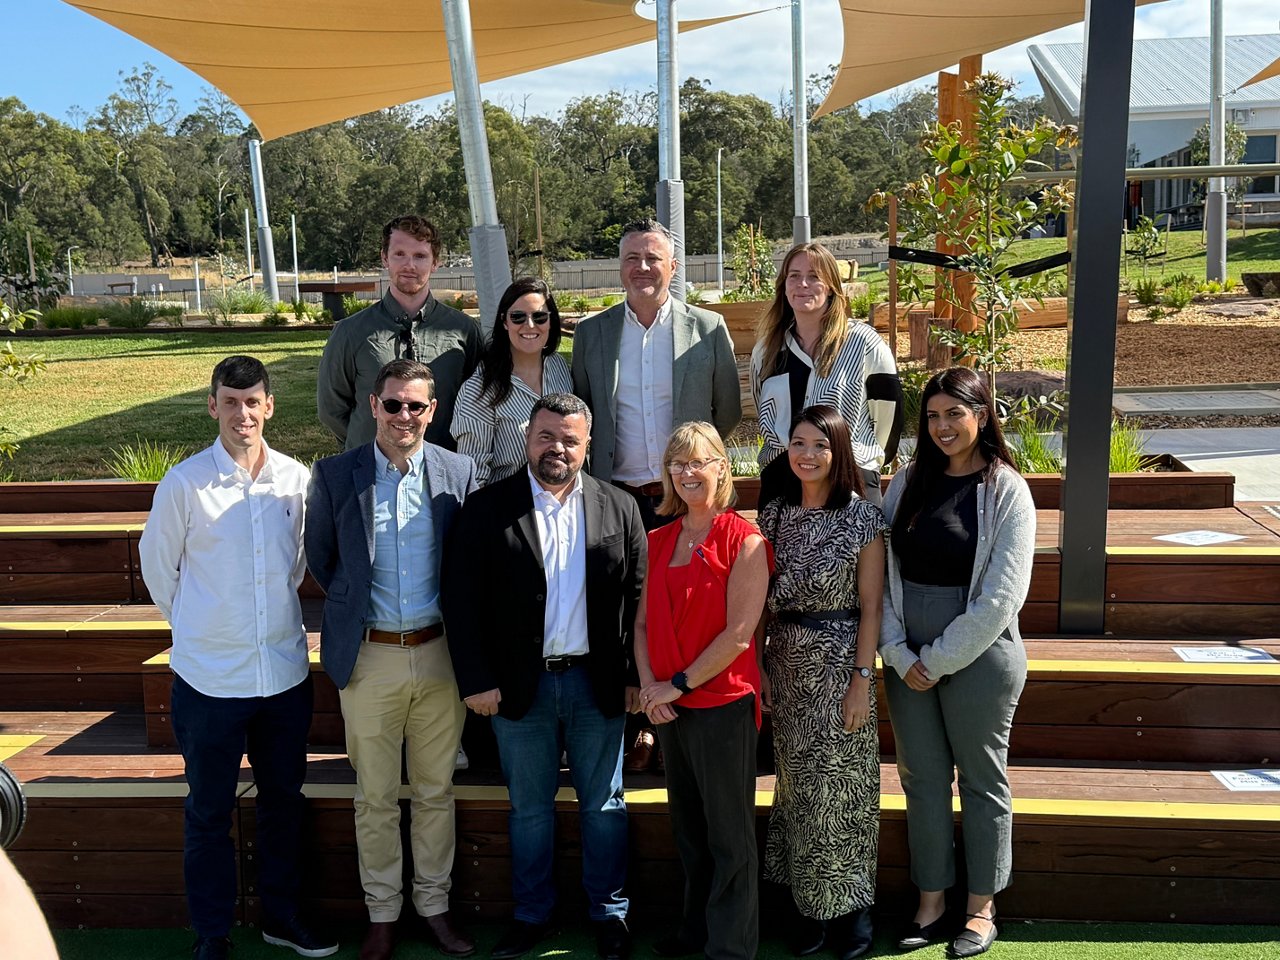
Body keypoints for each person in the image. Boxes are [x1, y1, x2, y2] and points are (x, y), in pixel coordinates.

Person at [139, 355, 337, 960]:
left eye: (252, 402)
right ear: (213, 406)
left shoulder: (295, 481)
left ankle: (282, 917)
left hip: (281, 675)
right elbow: (157, 566)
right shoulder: (184, 483)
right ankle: (212, 934)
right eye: (230, 401)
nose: (242, 413)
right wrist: (199, 627)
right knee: (207, 811)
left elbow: (298, 567)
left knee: (283, 804)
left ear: (269, 406)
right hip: (207, 680)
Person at [443, 393, 646, 960]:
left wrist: (635, 677)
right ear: (528, 439)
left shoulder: (619, 507)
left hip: (596, 682)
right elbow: (461, 603)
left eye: (570, 439)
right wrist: (476, 680)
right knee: (529, 810)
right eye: (547, 436)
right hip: (517, 687)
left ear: (588, 445)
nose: (558, 447)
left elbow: (637, 599)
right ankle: (533, 915)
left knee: (603, 806)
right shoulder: (487, 509)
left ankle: (610, 914)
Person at [306, 359, 479, 960]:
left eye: (417, 406)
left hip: (439, 655)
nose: (404, 416)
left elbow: (467, 565)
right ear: (373, 406)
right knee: (375, 797)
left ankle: (433, 907)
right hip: (370, 657)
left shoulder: (459, 472)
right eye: (393, 404)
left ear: (433, 412)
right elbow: (326, 565)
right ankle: (381, 914)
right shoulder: (334, 476)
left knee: (435, 793)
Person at [879, 367, 1035, 958]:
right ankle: (931, 900)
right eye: (935, 415)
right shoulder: (907, 482)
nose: (943, 426)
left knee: (980, 779)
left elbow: (1002, 595)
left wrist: (939, 660)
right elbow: (885, 573)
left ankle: (981, 906)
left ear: (982, 415)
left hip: (978, 655)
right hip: (907, 657)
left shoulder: (1006, 490)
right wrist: (896, 650)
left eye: (956, 414)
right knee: (920, 780)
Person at [633, 422, 771, 960]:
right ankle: (695, 934)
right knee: (688, 831)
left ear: (722, 468)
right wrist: (650, 688)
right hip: (669, 708)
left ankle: (731, 948)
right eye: (678, 463)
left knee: (728, 836)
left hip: (722, 705)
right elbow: (641, 624)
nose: (689, 472)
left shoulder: (746, 540)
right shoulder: (656, 539)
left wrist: (678, 684)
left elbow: (739, 635)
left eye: (700, 461)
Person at [756, 405, 888, 960]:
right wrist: (759, 663)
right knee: (798, 792)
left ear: (839, 453)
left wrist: (862, 679)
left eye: (820, 445)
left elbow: (871, 607)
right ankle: (807, 910)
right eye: (798, 443)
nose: (806, 454)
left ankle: (852, 914)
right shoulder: (776, 516)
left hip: (840, 665)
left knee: (845, 791)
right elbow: (757, 596)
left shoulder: (864, 517)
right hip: (785, 664)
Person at [572, 217, 741, 530]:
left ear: (673, 266)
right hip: (615, 498)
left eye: (653, 258)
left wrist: (697, 459)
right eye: (632, 258)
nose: (643, 267)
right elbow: (583, 413)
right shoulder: (591, 333)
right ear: (620, 267)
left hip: (688, 495)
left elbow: (728, 411)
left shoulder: (707, 329)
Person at [751, 241, 904, 509]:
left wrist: (855, 453)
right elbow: (762, 406)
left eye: (814, 277)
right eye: (794, 276)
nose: (803, 284)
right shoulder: (766, 351)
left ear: (832, 286)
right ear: (784, 286)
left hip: (850, 481)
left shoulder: (864, 344)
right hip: (783, 485)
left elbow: (887, 419)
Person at [317, 214, 483, 452]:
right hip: (370, 472)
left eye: (420, 256)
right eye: (400, 254)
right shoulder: (350, 332)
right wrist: (370, 443)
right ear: (385, 258)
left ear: (435, 262)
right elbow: (331, 409)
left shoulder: (464, 330)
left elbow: (477, 403)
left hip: (441, 470)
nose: (410, 266)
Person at [450, 277, 573, 484]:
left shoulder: (558, 366)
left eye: (540, 316)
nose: (530, 325)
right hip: (508, 509)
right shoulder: (480, 388)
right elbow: (473, 476)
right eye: (518, 317)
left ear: (551, 321)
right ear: (504, 322)